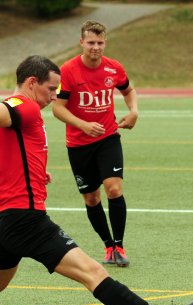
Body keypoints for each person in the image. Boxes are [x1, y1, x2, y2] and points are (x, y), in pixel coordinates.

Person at [0, 55, 193, 305]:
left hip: (7, 219)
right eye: (51, 89)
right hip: (25, 220)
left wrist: (31, 172)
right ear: (32, 83)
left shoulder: (24, 110)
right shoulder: (24, 105)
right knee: (92, 272)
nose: (54, 97)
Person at [52, 20, 138, 267]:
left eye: (100, 43)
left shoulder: (114, 68)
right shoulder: (67, 71)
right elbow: (58, 108)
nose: (95, 47)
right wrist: (82, 125)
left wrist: (133, 111)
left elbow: (128, 90)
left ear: (105, 43)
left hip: (108, 137)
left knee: (114, 189)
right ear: (81, 42)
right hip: (79, 143)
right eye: (91, 42)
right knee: (91, 198)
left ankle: (119, 246)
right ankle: (108, 245)